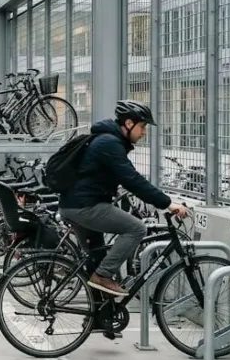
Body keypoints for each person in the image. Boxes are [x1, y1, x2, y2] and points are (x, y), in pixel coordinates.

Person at [58, 100, 189, 297]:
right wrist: (168, 204)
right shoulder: (109, 143)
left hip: (74, 204)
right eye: (143, 126)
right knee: (136, 228)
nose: (144, 132)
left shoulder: (105, 140)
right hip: (85, 206)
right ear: (129, 124)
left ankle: (100, 317)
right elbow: (132, 179)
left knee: (96, 259)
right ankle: (103, 276)